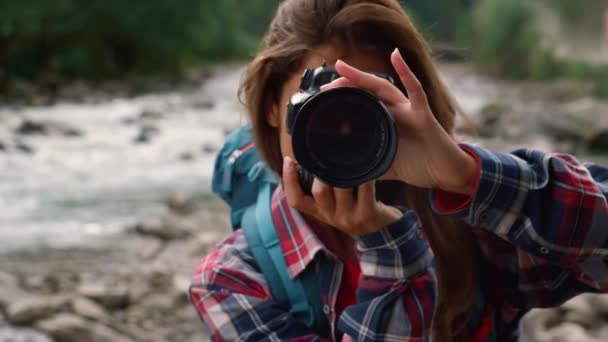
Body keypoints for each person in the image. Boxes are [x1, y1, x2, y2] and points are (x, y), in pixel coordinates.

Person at [189, 1, 608, 341]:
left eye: (365, 101)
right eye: (318, 96)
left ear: (410, 103)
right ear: (269, 106)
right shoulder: (233, 279)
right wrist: (391, 255)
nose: (341, 126)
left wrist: (468, 177)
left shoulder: (472, 223)